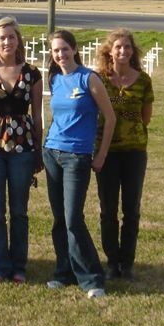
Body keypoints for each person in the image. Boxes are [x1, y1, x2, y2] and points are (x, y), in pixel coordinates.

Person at [42, 29, 115, 299]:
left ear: (74, 49)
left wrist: (101, 154)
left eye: (64, 49)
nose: (60, 54)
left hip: (77, 157)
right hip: (52, 153)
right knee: (60, 219)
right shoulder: (55, 79)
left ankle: (91, 279)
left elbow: (109, 118)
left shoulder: (89, 78)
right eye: (55, 50)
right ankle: (64, 272)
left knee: (73, 218)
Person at [0, 16, 42, 283]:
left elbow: (38, 115)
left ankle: (19, 267)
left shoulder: (32, 73)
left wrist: (38, 151)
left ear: (18, 41)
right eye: (2, 37)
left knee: (20, 211)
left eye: (12, 37)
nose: (7, 42)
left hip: (23, 147)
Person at [94, 29, 154, 281]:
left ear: (133, 51)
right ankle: (111, 262)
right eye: (118, 47)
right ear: (109, 51)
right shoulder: (99, 80)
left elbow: (146, 117)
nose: (123, 51)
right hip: (106, 153)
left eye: (127, 47)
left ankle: (127, 262)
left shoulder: (143, 80)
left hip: (134, 152)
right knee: (108, 211)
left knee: (131, 210)